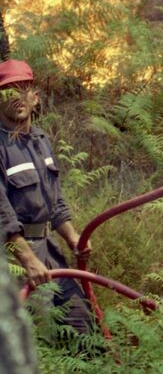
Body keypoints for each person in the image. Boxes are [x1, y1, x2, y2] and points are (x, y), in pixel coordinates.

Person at [0, 59, 94, 334]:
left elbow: (55, 202)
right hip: (15, 257)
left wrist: (73, 238)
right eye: (9, 90)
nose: (18, 97)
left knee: (81, 325)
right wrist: (28, 260)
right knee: (38, 335)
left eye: (23, 88)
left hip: (49, 251)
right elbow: (1, 212)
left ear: (35, 97)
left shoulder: (41, 141)